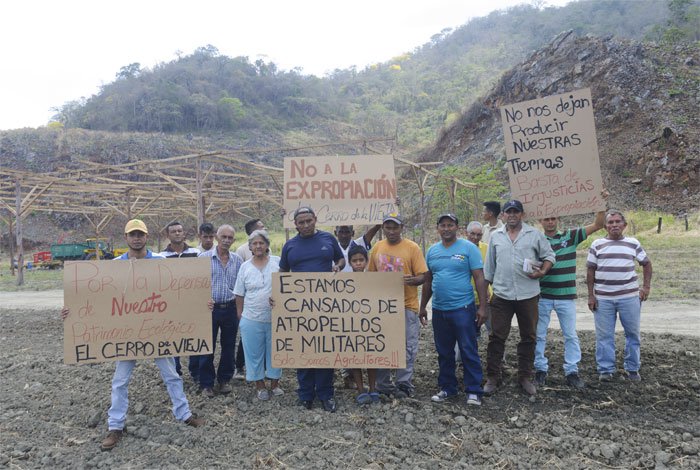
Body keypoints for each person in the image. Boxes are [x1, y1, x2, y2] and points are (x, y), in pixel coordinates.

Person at [61, 219, 204, 451]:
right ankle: (115, 425)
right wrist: (72, 311)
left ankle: (184, 414)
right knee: (120, 381)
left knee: (172, 375)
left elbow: (180, 292)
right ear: (126, 238)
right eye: (132, 234)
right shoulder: (115, 265)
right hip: (126, 334)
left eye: (140, 234)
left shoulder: (160, 261)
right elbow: (98, 298)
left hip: (157, 331)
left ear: (146, 237)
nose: (137, 238)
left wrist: (201, 304)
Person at [534, 193, 608, 390]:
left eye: (553, 218)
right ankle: (540, 369)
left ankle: (572, 371)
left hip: (566, 296)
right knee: (539, 334)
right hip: (542, 296)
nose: (550, 222)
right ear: (540, 221)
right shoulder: (535, 240)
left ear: (558, 219)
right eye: (546, 218)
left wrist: (600, 204)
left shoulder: (570, 236)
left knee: (570, 335)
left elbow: (599, 224)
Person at [483, 200, 556, 396]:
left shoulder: (534, 235)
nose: (512, 215)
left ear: (522, 214)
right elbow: (489, 269)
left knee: (529, 336)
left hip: (528, 295)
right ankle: (492, 377)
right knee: (496, 337)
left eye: (516, 212)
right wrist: (484, 300)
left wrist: (543, 271)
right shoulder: (496, 237)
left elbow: (550, 256)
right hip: (501, 295)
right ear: (503, 215)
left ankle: (525, 377)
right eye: (509, 212)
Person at [279, 206, 345, 412]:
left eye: (309, 221)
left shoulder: (328, 239)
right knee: (304, 348)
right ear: (295, 224)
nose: (306, 225)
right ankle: (306, 394)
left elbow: (340, 259)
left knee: (324, 347)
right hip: (299, 307)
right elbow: (283, 272)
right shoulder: (289, 246)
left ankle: (326, 394)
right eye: (301, 222)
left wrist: (338, 267)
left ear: (315, 219)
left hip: (326, 305)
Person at [420, 214, 488, 406]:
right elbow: (428, 280)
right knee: (444, 352)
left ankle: (474, 391)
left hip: (463, 309)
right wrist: (423, 306)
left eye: (450, 225)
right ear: (438, 228)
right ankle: (447, 388)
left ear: (457, 228)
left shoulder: (469, 248)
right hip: (440, 310)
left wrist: (483, 307)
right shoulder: (432, 251)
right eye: (443, 225)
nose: (446, 228)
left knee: (468, 349)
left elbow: (479, 278)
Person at [587, 210, 652, 382]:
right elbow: (590, 270)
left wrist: (645, 287)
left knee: (632, 334)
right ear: (605, 226)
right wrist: (591, 296)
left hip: (629, 297)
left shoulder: (633, 243)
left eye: (617, 222)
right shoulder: (597, 244)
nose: (614, 225)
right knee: (604, 336)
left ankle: (632, 369)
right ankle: (606, 370)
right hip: (603, 299)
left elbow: (646, 263)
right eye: (610, 222)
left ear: (624, 225)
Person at [368, 212, 427, 399]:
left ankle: (404, 383)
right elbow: (370, 275)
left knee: (407, 346)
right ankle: (383, 383)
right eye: (388, 227)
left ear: (402, 228)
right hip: (383, 307)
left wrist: (413, 280)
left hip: (406, 305)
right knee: (383, 344)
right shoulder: (377, 247)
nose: (391, 231)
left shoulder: (412, 248)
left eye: (395, 227)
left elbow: (423, 276)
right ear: (383, 228)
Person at [234, 230, 283, 401]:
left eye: (261, 243)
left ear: (267, 245)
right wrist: (240, 315)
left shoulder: (277, 263)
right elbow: (239, 293)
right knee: (254, 353)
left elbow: (287, 285)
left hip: (276, 318)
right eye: (254, 244)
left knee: (276, 351)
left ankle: (275, 384)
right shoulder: (245, 267)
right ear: (250, 247)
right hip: (251, 317)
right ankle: (260, 386)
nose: (258, 246)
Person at [333, 223, 381, 389]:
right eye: (341, 231)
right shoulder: (332, 247)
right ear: (336, 233)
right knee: (346, 341)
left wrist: (384, 214)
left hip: (363, 302)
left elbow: (372, 233)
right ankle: (348, 376)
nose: (344, 234)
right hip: (341, 301)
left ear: (353, 232)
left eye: (347, 231)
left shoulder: (358, 244)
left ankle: (368, 384)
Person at [198, 224, 243, 398]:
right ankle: (206, 383)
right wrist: (203, 301)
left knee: (229, 345)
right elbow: (196, 285)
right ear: (217, 237)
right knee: (206, 346)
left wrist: (240, 309)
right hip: (210, 308)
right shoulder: (204, 258)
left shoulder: (237, 260)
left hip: (230, 308)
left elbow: (240, 287)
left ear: (234, 240)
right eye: (223, 237)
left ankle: (224, 379)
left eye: (230, 238)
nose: (226, 240)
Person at [159, 220, 201, 376]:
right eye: (173, 231)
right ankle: (175, 371)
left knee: (195, 337)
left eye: (179, 231)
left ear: (184, 233)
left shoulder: (197, 253)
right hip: (170, 306)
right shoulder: (161, 257)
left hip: (192, 305)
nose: (177, 233)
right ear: (168, 235)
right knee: (172, 338)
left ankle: (195, 371)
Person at [346, 245, 379, 405]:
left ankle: (373, 389)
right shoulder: (343, 282)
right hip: (351, 326)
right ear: (349, 262)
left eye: (361, 260)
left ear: (366, 262)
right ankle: (360, 389)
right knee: (355, 359)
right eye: (354, 261)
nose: (358, 263)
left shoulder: (375, 280)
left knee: (371, 358)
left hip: (370, 326)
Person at [234, 219, 265, 378]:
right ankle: (239, 366)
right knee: (247, 339)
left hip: (265, 305)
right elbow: (240, 276)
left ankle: (264, 369)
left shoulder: (267, 249)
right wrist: (240, 310)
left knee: (264, 339)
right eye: (260, 227)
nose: (264, 228)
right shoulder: (241, 250)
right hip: (249, 303)